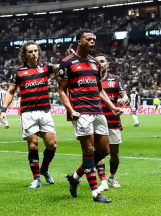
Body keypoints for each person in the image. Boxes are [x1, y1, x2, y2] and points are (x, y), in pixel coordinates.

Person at [58, 29, 122, 203]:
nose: (93, 42)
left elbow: (99, 89)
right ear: (80, 41)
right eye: (89, 39)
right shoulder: (67, 63)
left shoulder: (95, 63)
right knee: (87, 150)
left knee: (104, 150)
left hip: (98, 111)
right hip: (81, 112)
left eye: (94, 39)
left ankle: (75, 176)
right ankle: (95, 192)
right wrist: (71, 110)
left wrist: (112, 106)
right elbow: (62, 90)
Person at [0, 41, 67, 189]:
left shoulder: (45, 68)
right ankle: (36, 178)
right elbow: (10, 92)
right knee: (33, 146)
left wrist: (66, 60)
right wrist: (4, 110)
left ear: (39, 52)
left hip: (45, 111)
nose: (33, 54)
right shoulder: (18, 72)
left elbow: (59, 68)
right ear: (25, 54)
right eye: (30, 51)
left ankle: (44, 169)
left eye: (35, 51)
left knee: (52, 145)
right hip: (28, 113)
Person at [94, 54, 129, 191]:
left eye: (102, 61)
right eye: (97, 62)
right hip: (96, 120)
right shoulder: (91, 80)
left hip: (113, 120)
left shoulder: (115, 79)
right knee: (100, 151)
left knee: (114, 153)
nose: (100, 64)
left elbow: (123, 94)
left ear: (107, 63)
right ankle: (102, 180)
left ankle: (112, 176)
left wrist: (124, 99)